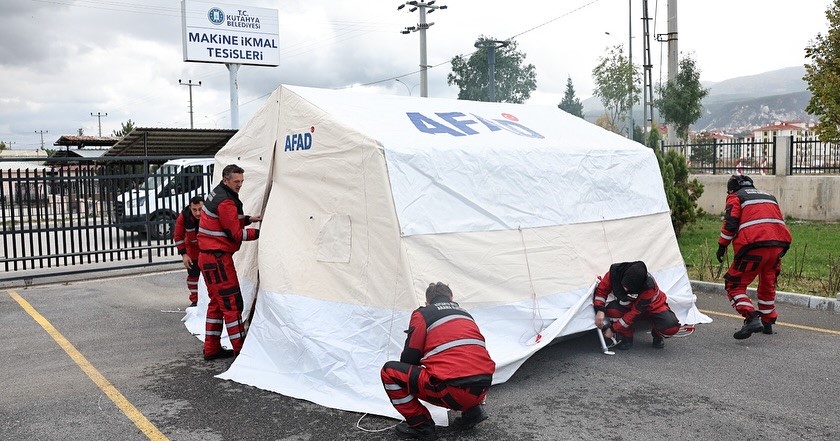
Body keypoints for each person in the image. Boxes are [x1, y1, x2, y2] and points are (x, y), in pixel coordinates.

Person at [380, 282, 496, 441]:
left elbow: (410, 357)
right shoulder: (465, 314)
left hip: (453, 392)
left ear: (427, 302)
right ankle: (473, 412)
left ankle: (422, 426)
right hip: (482, 388)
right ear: (451, 298)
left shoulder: (423, 313)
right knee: (466, 365)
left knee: (389, 372)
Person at [197, 164, 261, 361]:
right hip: (218, 260)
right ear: (226, 180)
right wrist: (260, 233)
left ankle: (211, 348)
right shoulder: (226, 201)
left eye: (242, 181)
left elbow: (227, 220)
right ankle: (242, 353)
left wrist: (249, 218)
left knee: (216, 303)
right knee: (232, 304)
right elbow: (235, 233)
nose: (240, 185)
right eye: (236, 182)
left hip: (207, 258)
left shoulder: (217, 193)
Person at [716, 174, 792, 339]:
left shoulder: (736, 197)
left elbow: (730, 222)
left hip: (753, 246)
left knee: (733, 284)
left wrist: (722, 245)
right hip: (778, 245)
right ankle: (768, 321)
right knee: (767, 282)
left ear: (731, 189)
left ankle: (751, 317)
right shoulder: (769, 197)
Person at [593, 261, 681, 350]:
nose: (626, 289)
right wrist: (600, 310)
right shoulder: (615, 272)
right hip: (629, 306)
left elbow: (635, 313)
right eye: (625, 285)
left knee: (671, 327)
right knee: (613, 310)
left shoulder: (648, 287)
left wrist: (612, 329)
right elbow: (601, 290)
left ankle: (657, 334)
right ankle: (627, 337)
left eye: (630, 287)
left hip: (653, 307)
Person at [173, 195, 204, 307]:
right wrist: (184, 255)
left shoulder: (210, 214)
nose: (197, 213)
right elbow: (178, 236)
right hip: (192, 252)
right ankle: (195, 301)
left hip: (207, 250)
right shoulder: (184, 217)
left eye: (200, 209)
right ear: (190, 208)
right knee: (193, 277)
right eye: (194, 210)